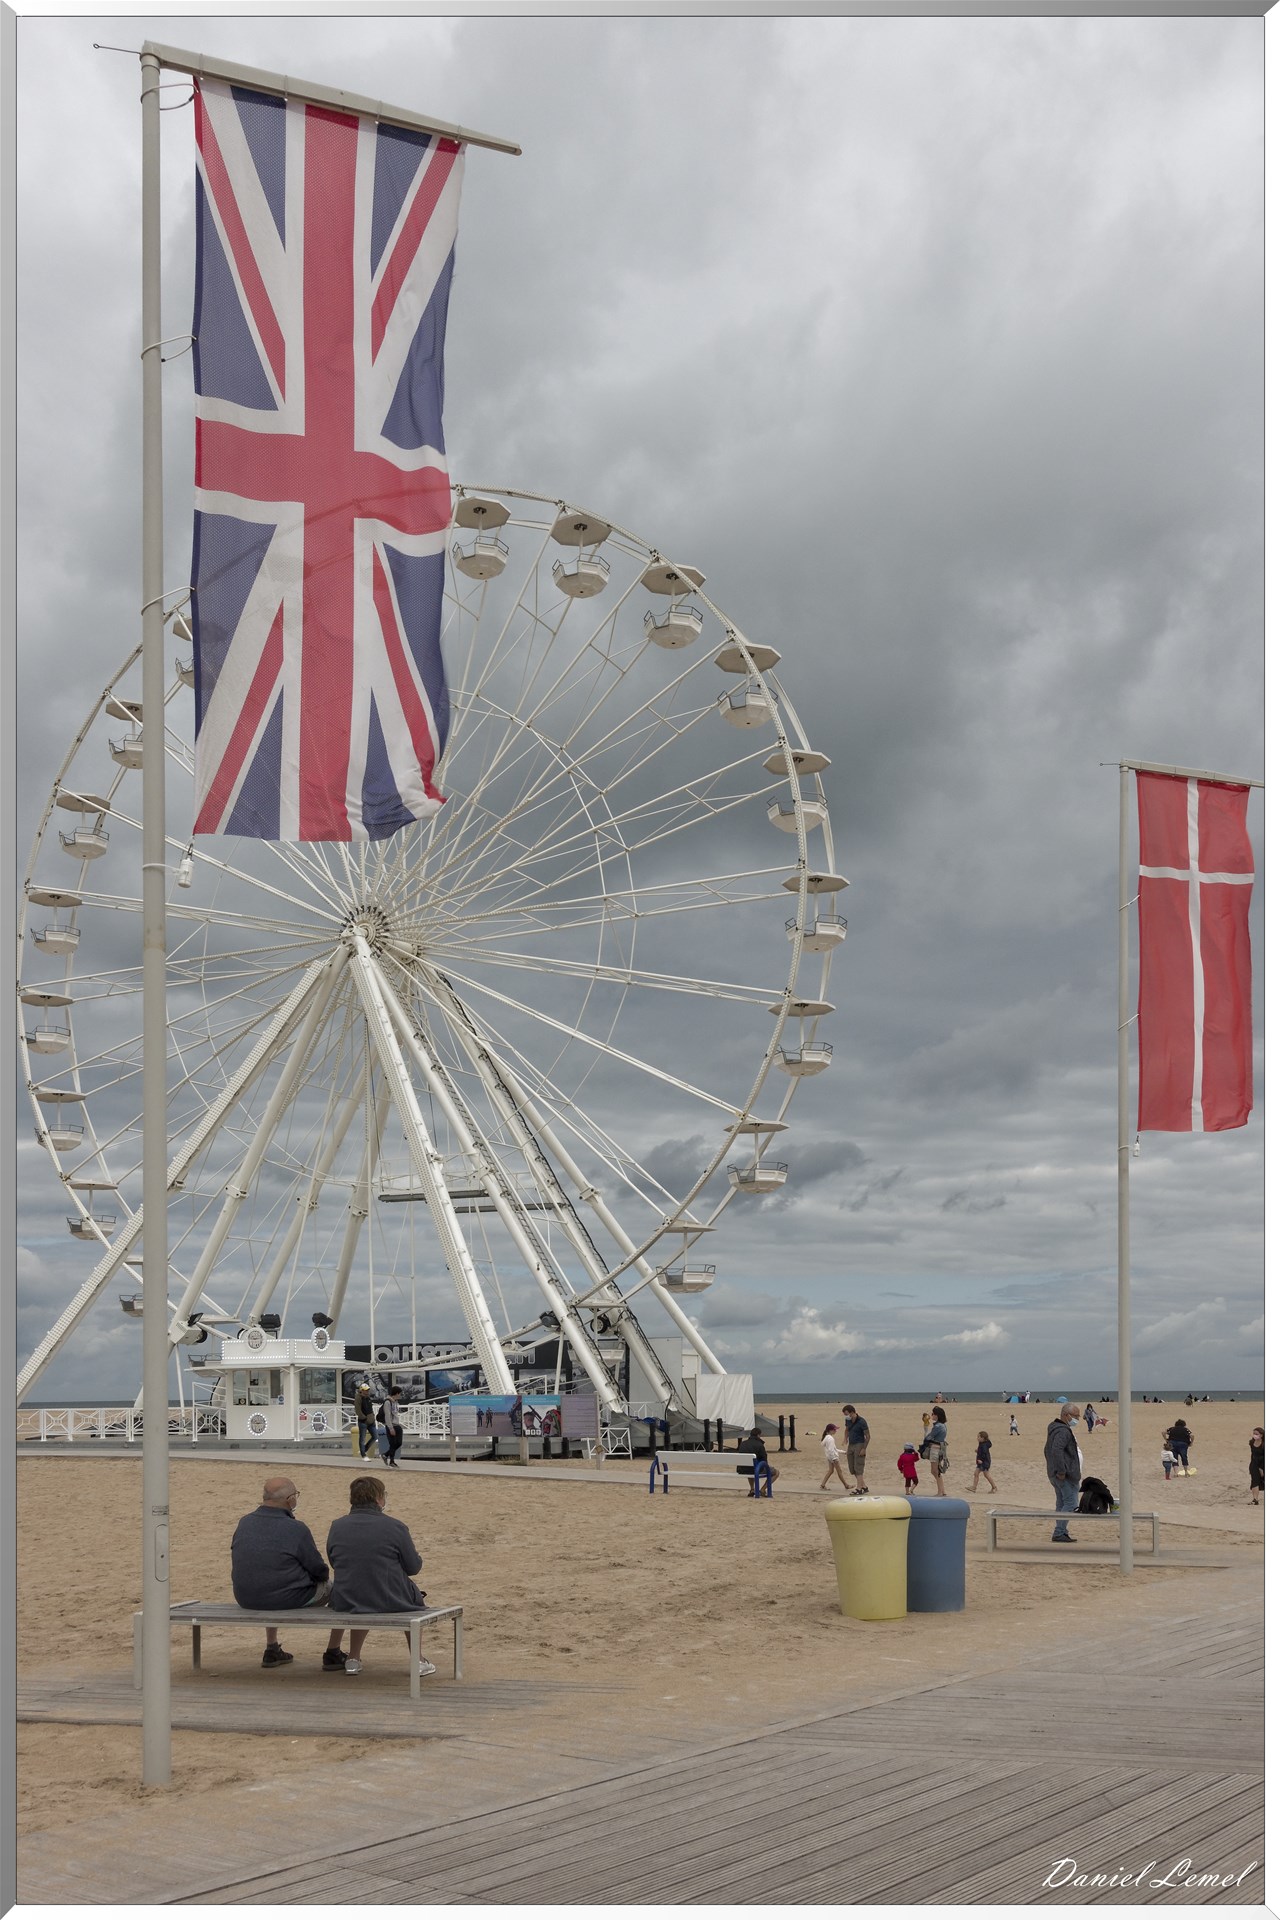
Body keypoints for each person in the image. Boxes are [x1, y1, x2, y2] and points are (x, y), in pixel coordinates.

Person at [230, 1475, 348, 1670]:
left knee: (270, 1577)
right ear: (289, 1500)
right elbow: (319, 1569)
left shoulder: (245, 1522)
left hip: (245, 1596)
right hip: (284, 1597)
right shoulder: (296, 1528)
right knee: (340, 1590)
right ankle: (333, 1652)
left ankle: (272, 1647)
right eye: (296, 1496)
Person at [326, 1475, 435, 1676]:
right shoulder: (395, 1527)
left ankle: (353, 1658)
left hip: (348, 1597)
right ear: (379, 1498)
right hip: (389, 1597)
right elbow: (413, 1567)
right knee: (412, 1596)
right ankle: (417, 1659)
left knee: (363, 1591)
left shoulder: (337, 1525)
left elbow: (334, 1561)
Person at [1044, 1402, 1082, 1542]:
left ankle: (1062, 1531)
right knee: (1071, 1503)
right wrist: (1061, 1471)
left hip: (1055, 1474)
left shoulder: (1054, 1429)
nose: (1077, 1419)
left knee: (1061, 1503)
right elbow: (1056, 1450)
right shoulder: (1063, 1431)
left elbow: (1048, 1450)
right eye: (1076, 1416)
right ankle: (1059, 1532)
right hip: (1063, 1475)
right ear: (1066, 1415)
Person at [736, 1426, 781, 1496]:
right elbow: (764, 1460)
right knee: (776, 1472)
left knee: (750, 1466)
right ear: (758, 1435)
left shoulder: (743, 1443)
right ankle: (762, 1490)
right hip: (755, 1469)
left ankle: (752, 1489)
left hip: (742, 1469)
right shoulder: (759, 1445)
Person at [919, 1407, 948, 1495]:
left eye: (933, 1414)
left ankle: (940, 1492)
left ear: (937, 1415)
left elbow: (929, 1437)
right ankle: (942, 1491)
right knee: (936, 1470)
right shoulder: (942, 1425)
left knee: (935, 1471)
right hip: (939, 1448)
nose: (932, 1415)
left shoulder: (938, 1426)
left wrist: (926, 1428)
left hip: (935, 1449)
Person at [842, 1403, 870, 1493]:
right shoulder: (848, 1421)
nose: (846, 1416)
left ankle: (859, 1488)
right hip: (851, 1444)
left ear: (852, 1412)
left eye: (847, 1414)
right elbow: (846, 1430)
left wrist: (864, 1448)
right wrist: (845, 1438)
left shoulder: (862, 1421)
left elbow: (868, 1436)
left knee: (858, 1466)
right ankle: (864, 1486)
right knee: (852, 1468)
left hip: (859, 1444)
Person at [819, 1423, 851, 1493]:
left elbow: (833, 1449)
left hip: (829, 1457)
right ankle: (846, 1485)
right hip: (833, 1458)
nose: (835, 1431)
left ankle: (823, 1485)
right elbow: (831, 1450)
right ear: (830, 1430)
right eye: (834, 1430)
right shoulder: (830, 1438)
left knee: (831, 1471)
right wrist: (834, 1459)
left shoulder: (826, 1438)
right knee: (839, 1472)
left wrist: (843, 1452)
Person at [380, 1384, 405, 1468]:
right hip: (391, 1425)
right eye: (400, 1394)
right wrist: (390, 1428)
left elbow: (395, 1413)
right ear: (396, 1393)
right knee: (393, 1443)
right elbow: (387, 1415)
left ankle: (385, 1455)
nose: (400, 1395)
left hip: (397, 1425)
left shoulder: (395, 1402)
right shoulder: (387, 1402)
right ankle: (392, 1461)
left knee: (398, 1443)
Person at [353, 1377, 378, 1459]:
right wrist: (364, 1418)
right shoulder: (358, 1398)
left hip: (371, 1421)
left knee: (375, 1436)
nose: (367, 1391)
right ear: (362, 1390)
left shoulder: (368, 1398)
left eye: (367, 1390)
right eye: (366, 1390)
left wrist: (372, 1417)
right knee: (362, 1438)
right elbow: (358, 1410)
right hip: (363, 1421)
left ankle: (364, 1450)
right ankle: (363, 1455)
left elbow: (370, 1408)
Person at [1248, 1427, 1264, 1506]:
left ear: (1261, 1435)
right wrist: (1251, 1466)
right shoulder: (1251, 1442)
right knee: (1254, 1481)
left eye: (1257, 1434)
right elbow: (1253, 1455)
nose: (1255, 1435)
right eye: (1254, 1433)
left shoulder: (1265, 1444)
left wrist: (1261, 1468)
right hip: (1254, 1464)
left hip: (1263, 1464)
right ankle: (1255, 1499)